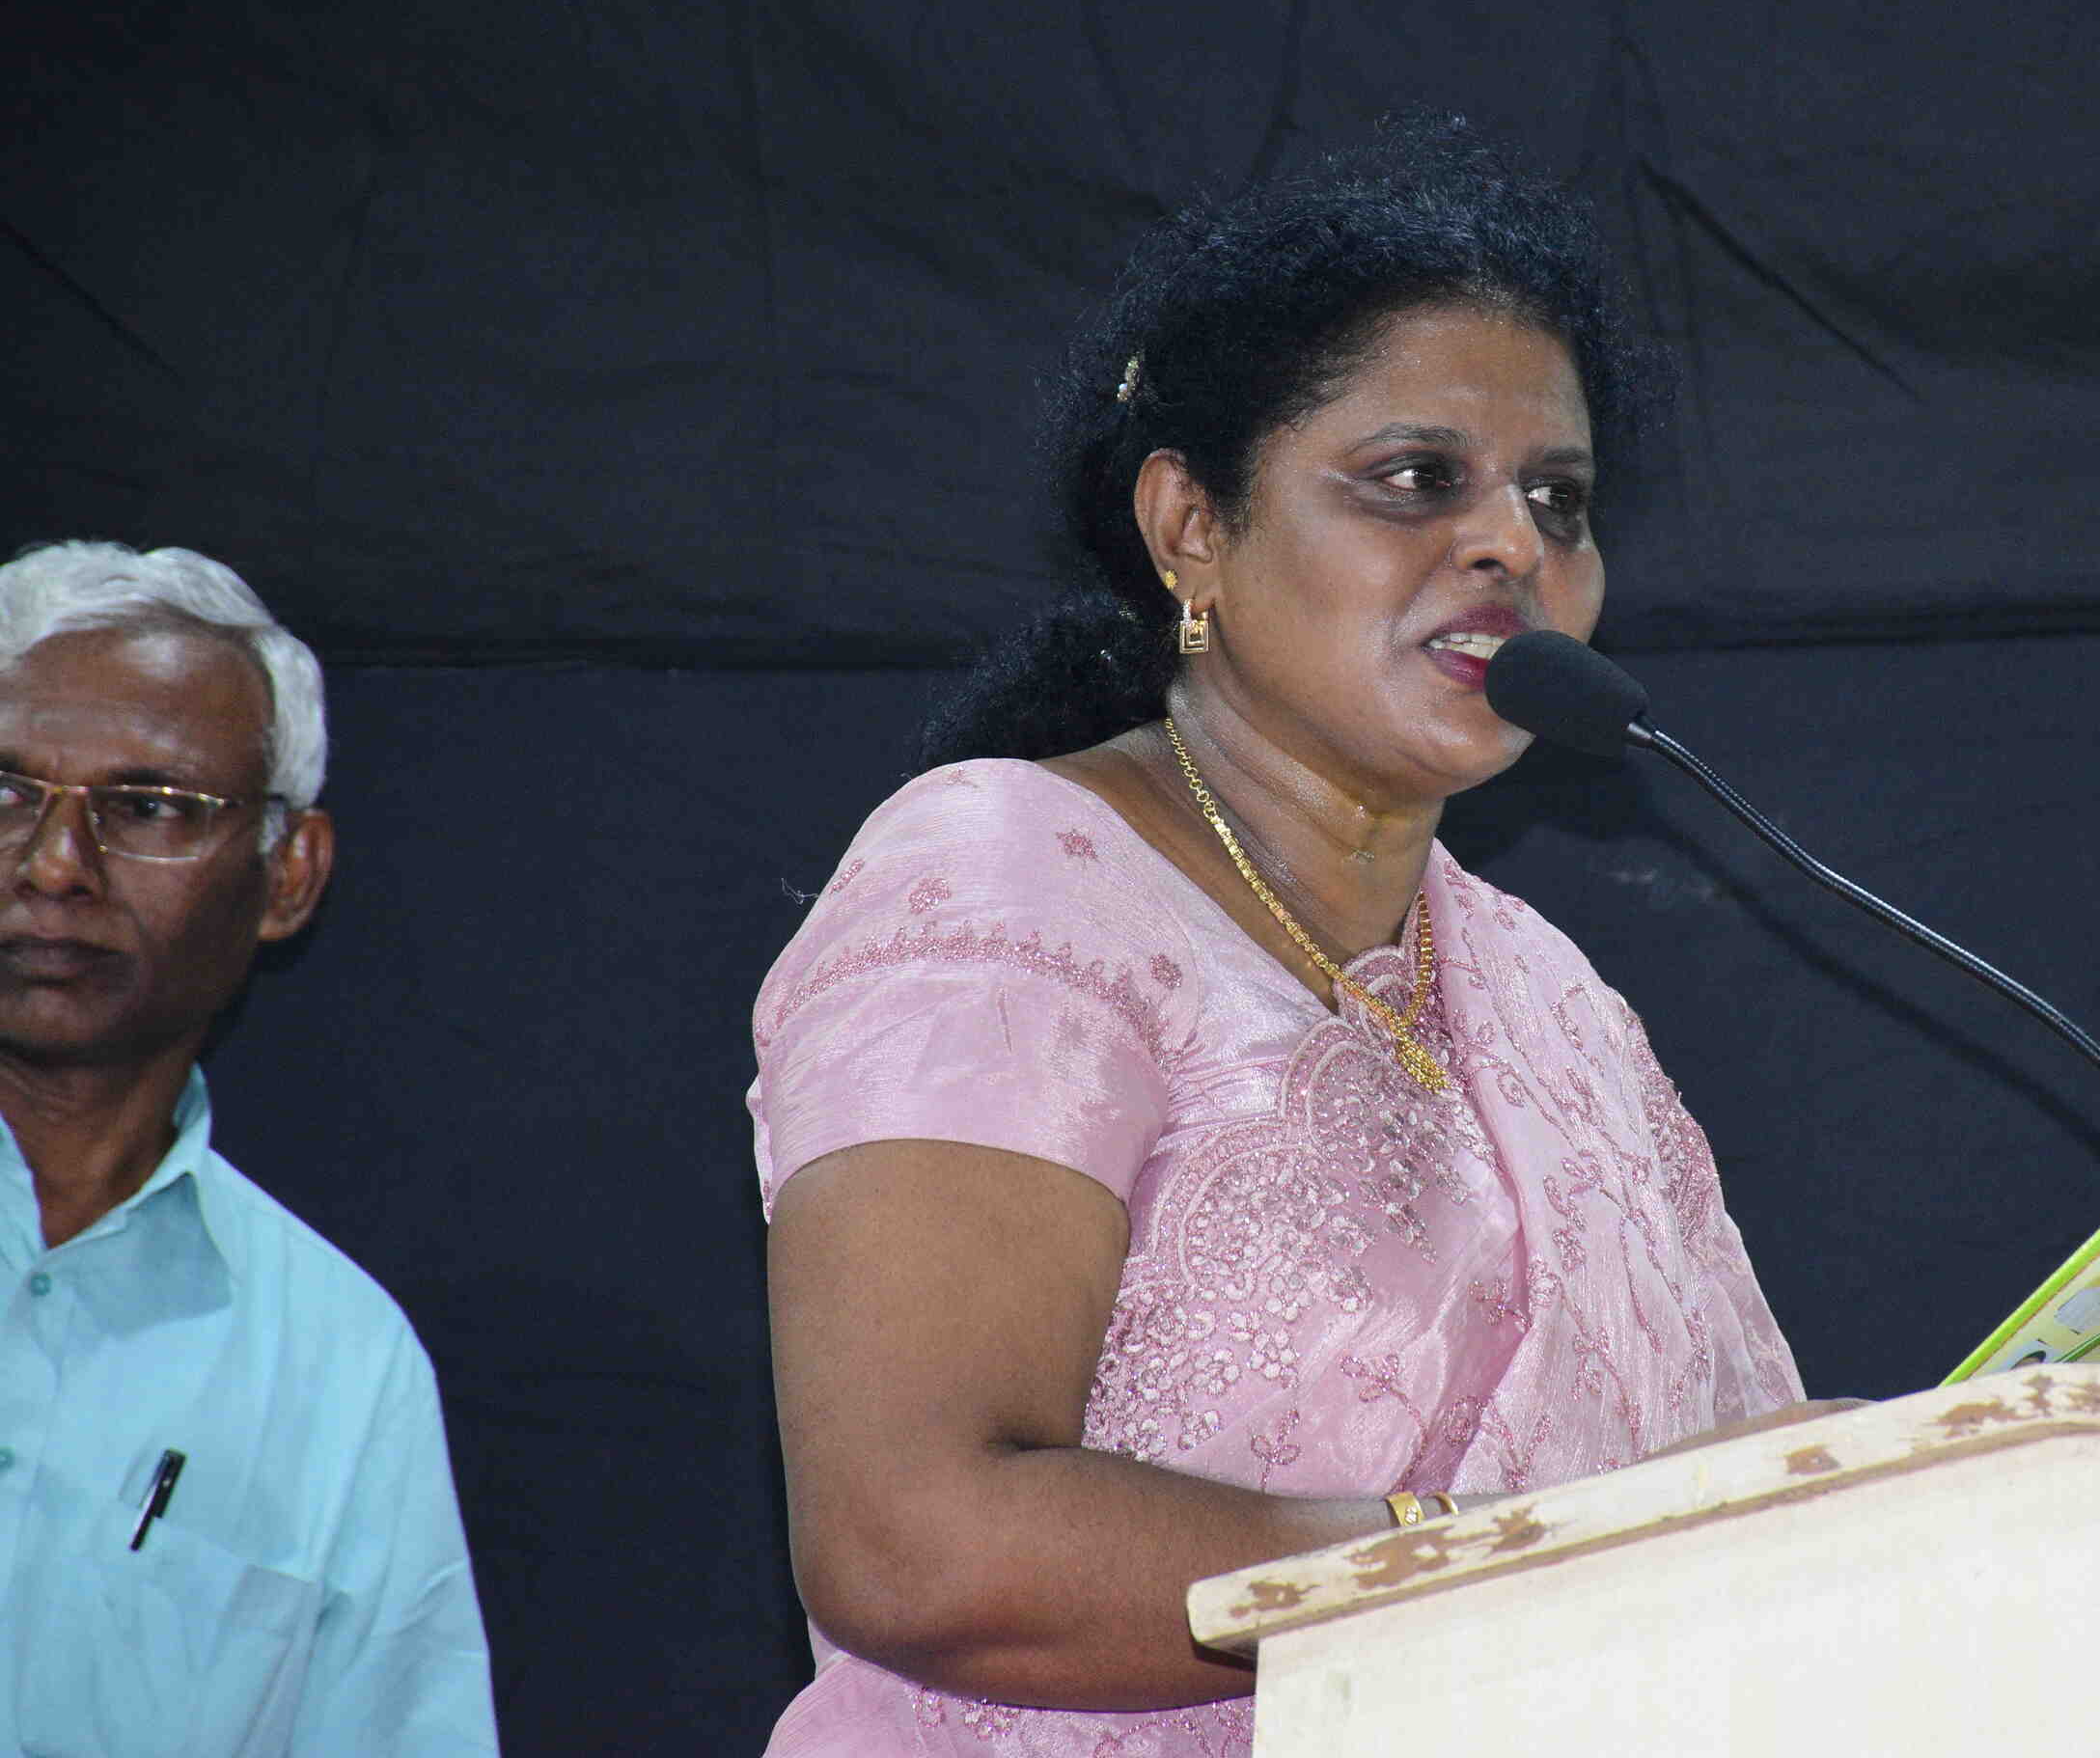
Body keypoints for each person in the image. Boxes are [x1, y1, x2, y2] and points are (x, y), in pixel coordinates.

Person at [749, 119, 1822, 1756]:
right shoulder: (1005, 882)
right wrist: (1495, 1575)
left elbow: (1718, 1498)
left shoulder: (1552, 997)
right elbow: (918, 1537)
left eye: (1560, 499)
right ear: (1191, 525)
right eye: (1418, 479)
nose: (1515, 546)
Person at [0, 541, 498, 1757]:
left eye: (150, 806)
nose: (54, 863)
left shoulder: (340, 1363)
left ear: (289, 874)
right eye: (6, 792)